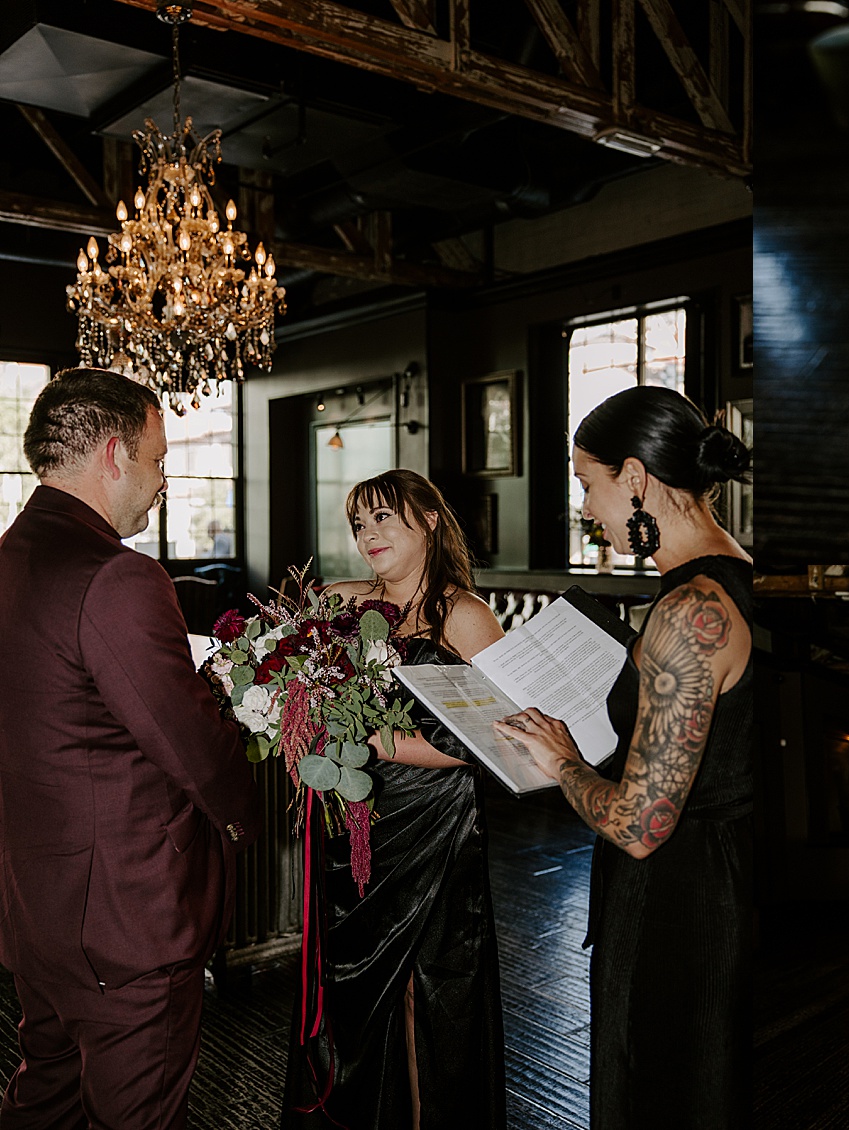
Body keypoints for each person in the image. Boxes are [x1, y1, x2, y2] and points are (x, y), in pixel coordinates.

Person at [0, 367, 261, 1128]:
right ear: (114, 455)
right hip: (126, 921)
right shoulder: (120, 576)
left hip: (35, 909)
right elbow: (193, 751)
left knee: (41, 1101)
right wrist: (246, 818)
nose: (163, 481)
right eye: (157, 459)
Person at [493, 386, 753, 1129]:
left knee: (665, 1086)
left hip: (682, 901)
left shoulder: (689, 612)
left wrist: (564, 759)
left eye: (587, 484)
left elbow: (640, 825)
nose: (586, 508)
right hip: (722, 878)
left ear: (634, 478)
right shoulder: (734, 576)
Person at [282, 468, 507, 1130]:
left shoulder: (466, 617)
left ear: (430, 520)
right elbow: (293, 675)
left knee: (424, 993)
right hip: (352, 820)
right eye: (358, 523)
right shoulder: (341, 602)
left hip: (434, 826)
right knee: (349, 994)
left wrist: (382, 742)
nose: (368, 534)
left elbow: (492, 742)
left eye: (383, 517)